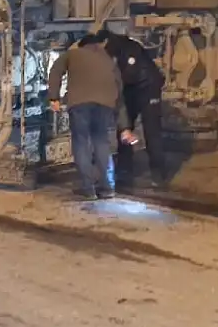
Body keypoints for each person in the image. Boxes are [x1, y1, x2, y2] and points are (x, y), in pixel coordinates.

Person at [47, 33, 133, 200]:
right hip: (105, 105)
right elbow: (119, 89)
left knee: (81, 143)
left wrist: (54, 97)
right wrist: (124, 124)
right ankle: (106, 188)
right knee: (101, 142)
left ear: (81, 45)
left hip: (80, 104)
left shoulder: (72, 54)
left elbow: (56, 70)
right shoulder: (108, 59)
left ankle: (88, 188)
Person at [98, 29, 169, 188]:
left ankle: (155, 174)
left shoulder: (126, 50)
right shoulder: (121, 47)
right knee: (127, 129)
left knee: (151, 132)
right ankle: (128, 172)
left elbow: (127, 74)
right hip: (136, 90)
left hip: (147, 89)